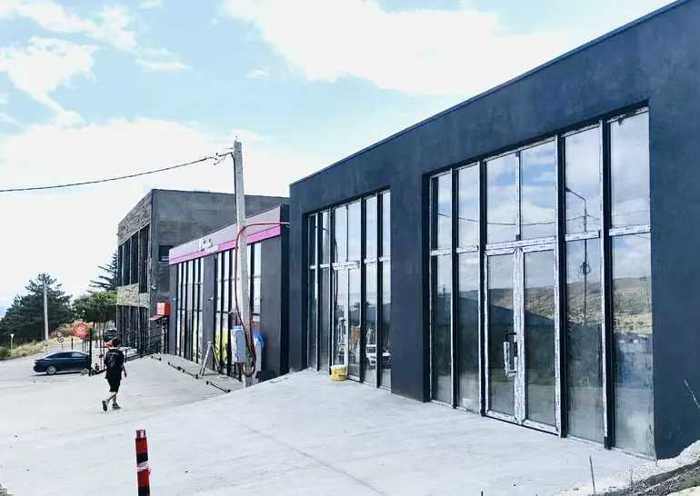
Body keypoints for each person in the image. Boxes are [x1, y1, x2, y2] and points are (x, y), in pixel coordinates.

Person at [102, 338, 126, 412]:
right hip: (116, 373)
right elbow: (121, 364)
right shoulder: (120, 353)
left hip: (109, 373)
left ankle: (114, 404)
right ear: (118, 344)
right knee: (115, 390)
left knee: (112, 389)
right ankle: (107, 400)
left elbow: (105, 362)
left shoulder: (108, 352)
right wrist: (124, 371)